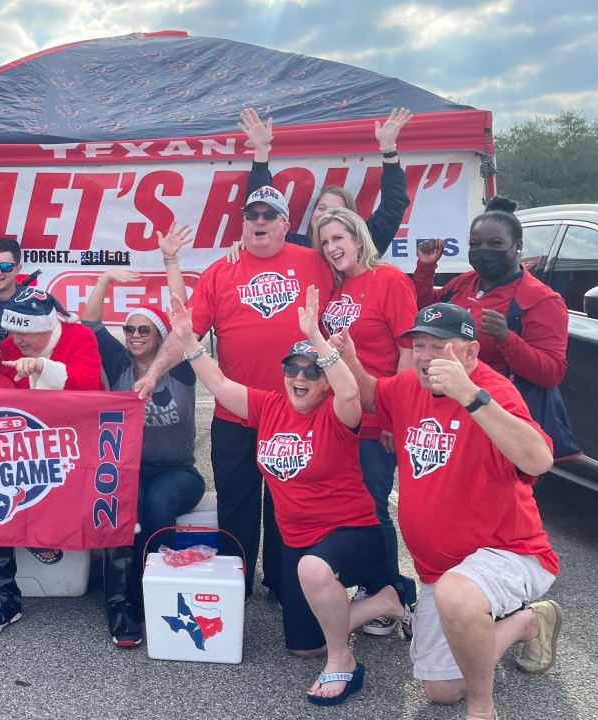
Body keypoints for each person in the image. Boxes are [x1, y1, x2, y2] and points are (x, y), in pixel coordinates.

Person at [169, 287, 413, 705]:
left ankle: (343, 662)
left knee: (318, 575)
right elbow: (221, 385)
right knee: (303, 645)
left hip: (351, 532)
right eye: (292, 369)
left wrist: (317, 339)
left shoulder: (338, 413)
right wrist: (190, 342)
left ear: (325, 381)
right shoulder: (269, 406)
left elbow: (353, 392)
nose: (300, 378)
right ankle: (386, 601)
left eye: (312, 371)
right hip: (297, 543)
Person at [339, 302, 563, 720]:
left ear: (470, 353)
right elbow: (373, 395)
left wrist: (470, 397)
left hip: (511, 551)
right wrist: (348, 356)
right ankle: (528, 623)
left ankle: (483, 708)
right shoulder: (410, 385)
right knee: (441, 689)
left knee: (456, 594)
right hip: (439, 570)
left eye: (439, 345)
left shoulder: (492, 391)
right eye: (418, 344)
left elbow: (538, 460)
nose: (424, 355)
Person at [137, 185, 334, 603]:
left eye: (268, 216)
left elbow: (361, 256)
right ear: (243, 224)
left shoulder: (315, 262)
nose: (259, 222)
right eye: (252, 216)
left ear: (285, 224)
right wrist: (153, 373)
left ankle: (285, 586)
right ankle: (235, 585)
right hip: (236, 413)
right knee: (237, 505)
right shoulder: (219, 271)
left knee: (290, 505)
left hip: (299, 411)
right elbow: (185, 333)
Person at [0, 287, 104, 640]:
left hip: (75, 444)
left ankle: (118, 599)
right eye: (12, 331)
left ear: (46, 326)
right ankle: (5, 597)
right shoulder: (7, 348)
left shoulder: (79, 336)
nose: (16, 340)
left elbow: (90, 386)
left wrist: (44, 367)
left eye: (25, 332)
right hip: (24, 448)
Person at [81, 260, 204, 648]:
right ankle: (124, 601)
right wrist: (103, 280)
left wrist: (168, 262)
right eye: (129, 329)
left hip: (177, 472)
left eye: (143, 329)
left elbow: (182, 314)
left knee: (156, 502)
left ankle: (158, 591)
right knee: (119, 503)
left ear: (160, 335)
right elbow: (91, 325)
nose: (134, 335)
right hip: (128, 468)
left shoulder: (180, 370)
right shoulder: (119, 364)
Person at [314, 207, 418, 635]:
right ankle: (377, 587)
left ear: (359, 239)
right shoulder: (337, 290)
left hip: (378, 414)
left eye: (339, 238)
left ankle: (388, 592)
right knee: (350, 504)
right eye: (325, 242)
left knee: (373, 504)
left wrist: (397, 416)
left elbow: (409, 353)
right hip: (344, 415)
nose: (332, 248)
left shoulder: (389, 280)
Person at [413, 197, 573, 456]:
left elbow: (552, 373)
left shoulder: (541, 300)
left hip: (503, 417)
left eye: (495, 244)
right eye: (475, 245)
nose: (483, 251)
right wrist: (426, 268)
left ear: (517, 246)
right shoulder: (466, 283)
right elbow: (428, 315)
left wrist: (506, 338)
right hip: (454, 410)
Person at [238, 107, 412, 252]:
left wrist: (388, 149)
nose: (327, 214)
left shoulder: (362, 247)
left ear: (350, 218)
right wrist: (261, 150)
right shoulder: (293, 245)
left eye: (336, 210)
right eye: (322, 208)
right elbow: (261, 203)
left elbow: (393, 208)